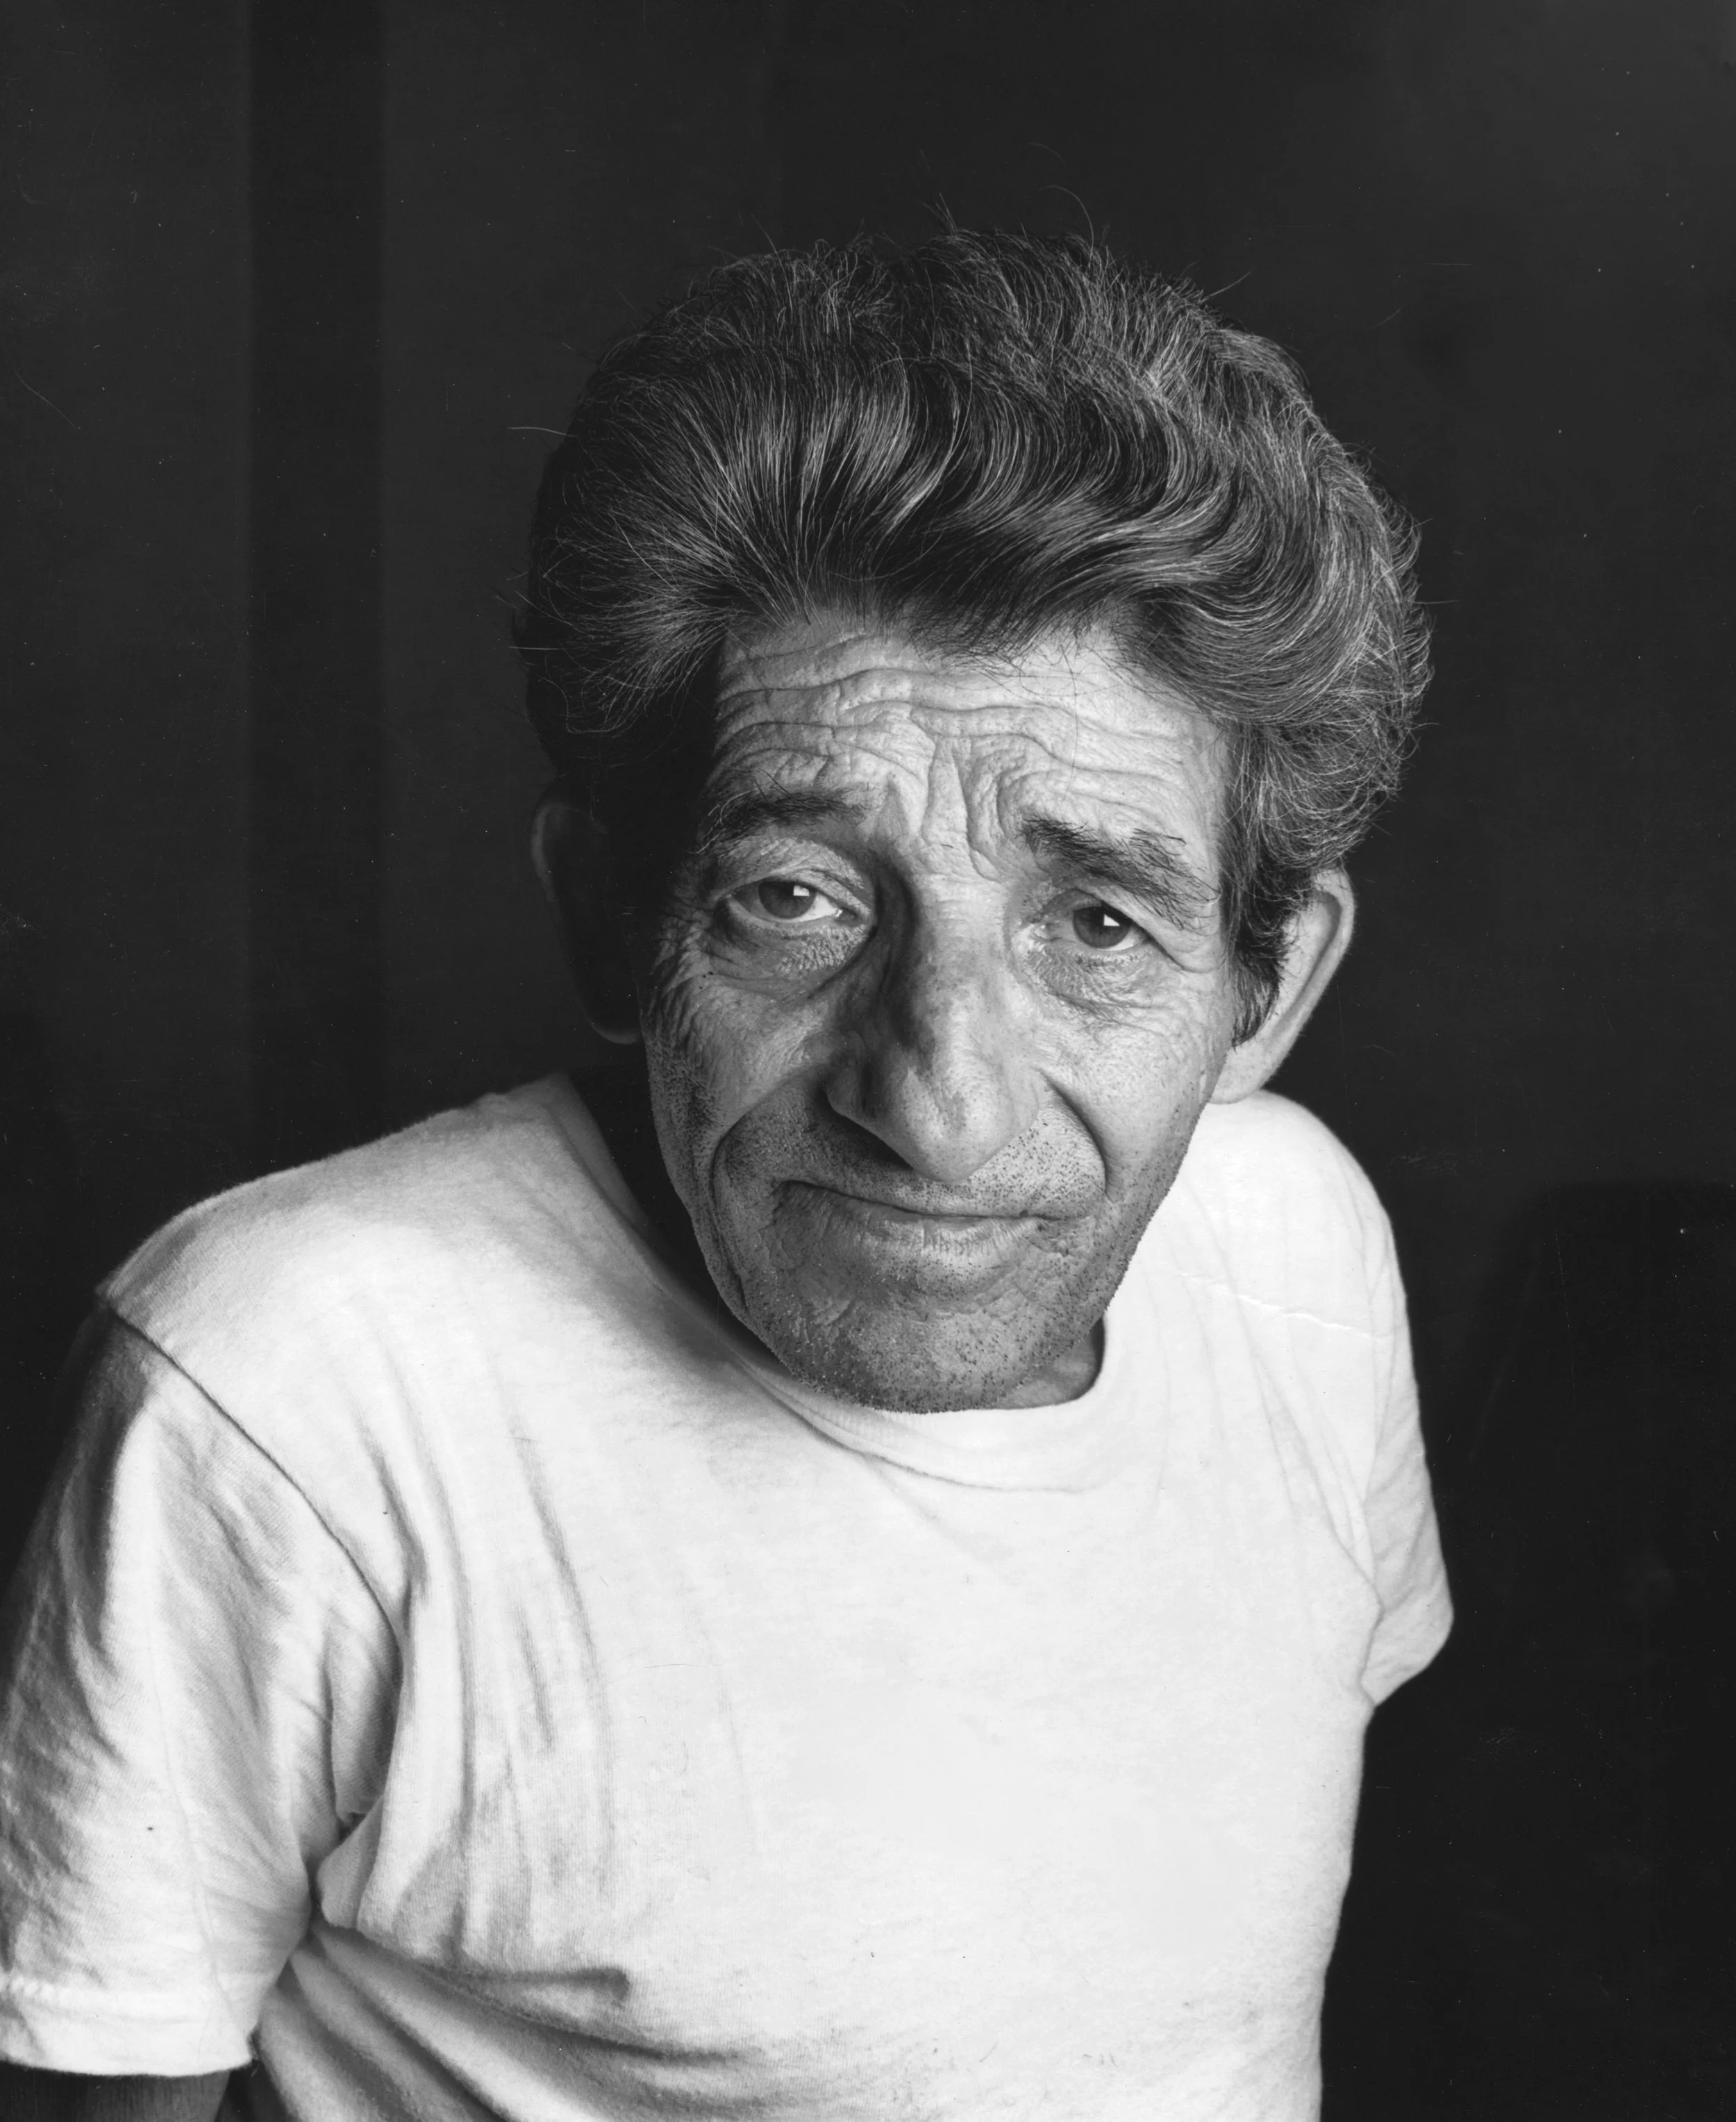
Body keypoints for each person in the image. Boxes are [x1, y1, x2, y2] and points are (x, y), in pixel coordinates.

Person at [0, 229, 1450, 2121]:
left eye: (1096, 923)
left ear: (1272, 989)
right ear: (612, 920)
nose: (936, 1107)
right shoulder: (294, 1379)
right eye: (795, 898)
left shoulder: (1297, 1246)